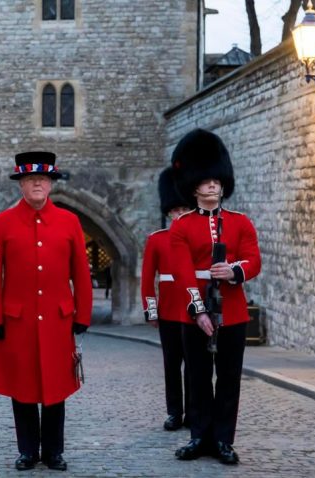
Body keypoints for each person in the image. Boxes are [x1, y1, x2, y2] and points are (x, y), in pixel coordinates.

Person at [0, 151, 92, 471]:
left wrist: (82, 314)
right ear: (21, 185)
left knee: (56, 388)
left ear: (51, 184)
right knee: (23, 388)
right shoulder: (2, 223)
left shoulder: (70, 221)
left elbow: (81, 273)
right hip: (18, 320)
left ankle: (54, 452)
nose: (38, 185)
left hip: (58, 318)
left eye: (43, 179)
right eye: (31, 180)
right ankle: (28, 450)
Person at [169, 129, 261, 465]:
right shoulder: (181, 227)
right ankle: (199, 436)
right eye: (205, 181)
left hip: (233, 311)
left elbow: (254, 260)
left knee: (228, 378)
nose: (212, 186)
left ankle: (223, 439)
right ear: (193, 186)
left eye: (216, 181)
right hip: (194, 312)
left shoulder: (240, 223)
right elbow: (182, 271)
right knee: (197, 377)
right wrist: (198, 310)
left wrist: (234, 271)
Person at [140, 166, 192, 432]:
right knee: (172, 365)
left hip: (195, 310)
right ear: (170, 212)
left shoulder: (198, 239)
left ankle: (193, 411)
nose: (180, 215)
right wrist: (151, 311)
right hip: (169, 311)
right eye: (176, 211)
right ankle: (174, 412)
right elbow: (148, 280)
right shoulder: (157, 240)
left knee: (194, 366)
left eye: (184, 210)